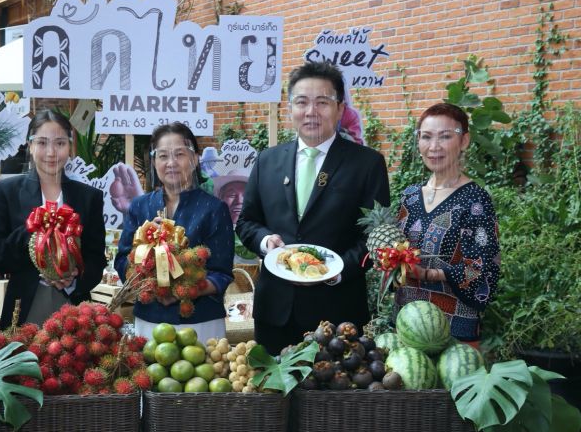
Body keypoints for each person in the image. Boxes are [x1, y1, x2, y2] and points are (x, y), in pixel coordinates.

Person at [236, 61, 390, 354]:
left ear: (340, 109)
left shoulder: (367, 164)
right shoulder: (267, 160)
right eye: (302, 102)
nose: (311, 112)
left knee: (332, 401)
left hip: (338, 312)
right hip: (275, 313)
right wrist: (266, 241)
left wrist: (337, 269)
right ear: (290, 108)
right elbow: (247, 222)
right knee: (273, 395)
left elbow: (375, 237)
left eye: (322, 102)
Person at [0, 110, 106, 329]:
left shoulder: (89, 197)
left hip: (74, 309)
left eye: (60, 143)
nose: (51, 152)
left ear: (70, 147)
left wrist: (75, 279)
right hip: (24, 308)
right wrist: (34, 231)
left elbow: (96, 259)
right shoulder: (6, 191)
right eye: (42, 143)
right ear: (30, 146)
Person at [115, 122, 234, 342]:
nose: (171, 163)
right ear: (153, 161)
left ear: (195, 159)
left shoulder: (214, 209)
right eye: (162, 156)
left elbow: (222, 272)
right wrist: (148, 281)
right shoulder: (139, 207)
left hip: (201, 323)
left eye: (179, 154)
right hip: (150, 319)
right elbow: (122, 260)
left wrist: (185, 290)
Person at [394, 103, 500, 344]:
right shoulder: (409, 196)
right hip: (406, 324)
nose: (434, 147)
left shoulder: (476, 200)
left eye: (444, 137)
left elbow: (484, 268)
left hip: (454, 331)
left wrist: (430, 273)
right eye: (426, 137)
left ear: (463, 141)